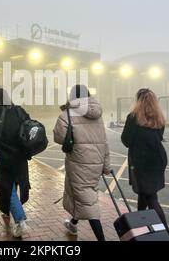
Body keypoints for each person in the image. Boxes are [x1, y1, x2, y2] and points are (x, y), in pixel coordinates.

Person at [53, 85, 111, 241]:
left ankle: (101, 239)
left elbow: (58, 138)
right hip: (96, 163)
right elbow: (104, 141)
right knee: (82, 194)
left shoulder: (67, 114)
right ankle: (73, 223)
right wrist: (106, 166)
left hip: (79, 163)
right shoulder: (97, 115)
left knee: (88, 202)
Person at [121, 88, 169, 238]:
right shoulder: (159, 117)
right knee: (144, 195)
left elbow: (126, 140)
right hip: (158, 159)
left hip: (142, 161)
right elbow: (159, 136)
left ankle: (167, 236)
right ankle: (141, 231)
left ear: (138, 101)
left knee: (151, 198)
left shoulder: (133, 117)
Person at [0, 88, 31, 238]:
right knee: (15, 185)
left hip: (5, 158)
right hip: (21, 157)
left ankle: (20, 220)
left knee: (8, 190)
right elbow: (29, 126)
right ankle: (12, 211)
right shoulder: (19, 111)